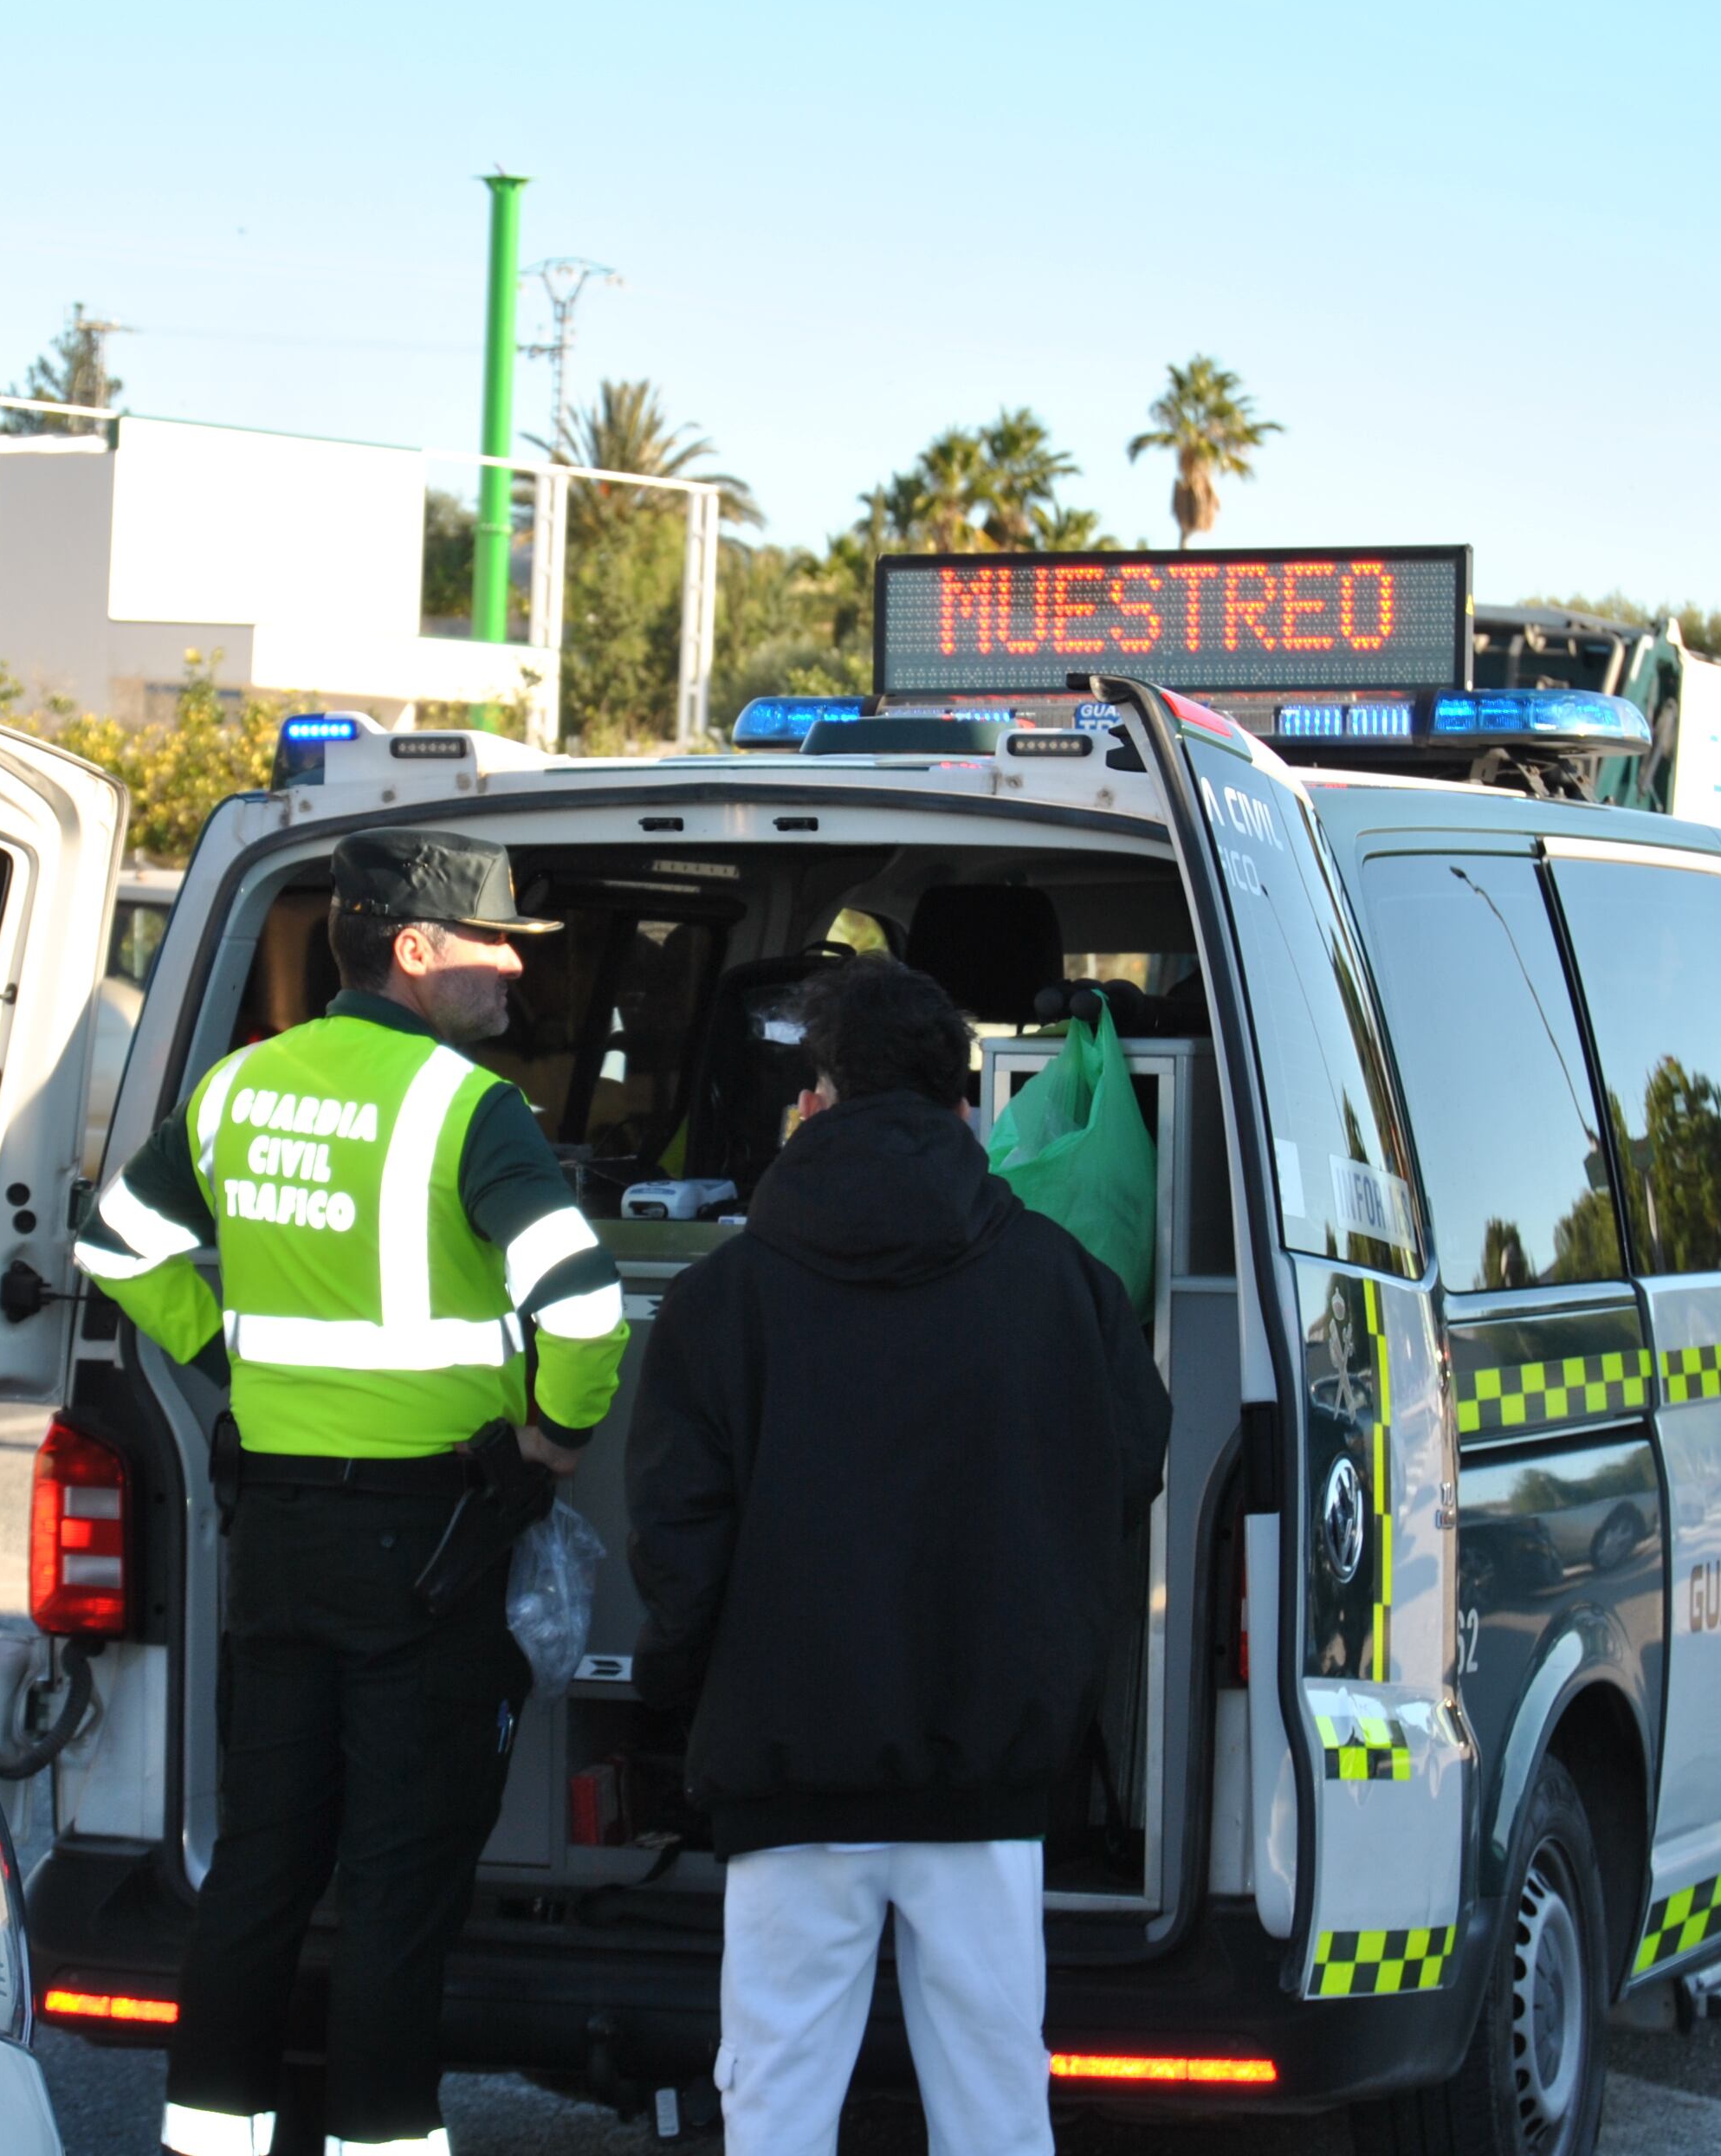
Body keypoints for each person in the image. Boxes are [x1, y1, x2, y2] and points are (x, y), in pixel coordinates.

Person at [76, 826, 631, 2156]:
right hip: (428, 1548)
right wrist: (552, 1440)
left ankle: (208, 2137)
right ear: (415, 950)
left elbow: (117, 1245)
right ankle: (384, 2139)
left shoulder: (237, 1088)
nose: (513, 972)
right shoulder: (467, 1109)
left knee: (263, 1867)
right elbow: (586, 1307)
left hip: (277, 1538)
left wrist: (234, 1356)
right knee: (399, 1880)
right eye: (493, 945)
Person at [625, 951, 1172, 2156]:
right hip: (987, 1774)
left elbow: (677, 1539)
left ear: (814, 1100)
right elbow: (1131, 1462)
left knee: (774, 2098)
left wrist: (682, 1703)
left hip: (785, 1771)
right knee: (992, 2100)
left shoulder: (725, 1300)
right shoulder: (1060, 1285)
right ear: (966, 1103)